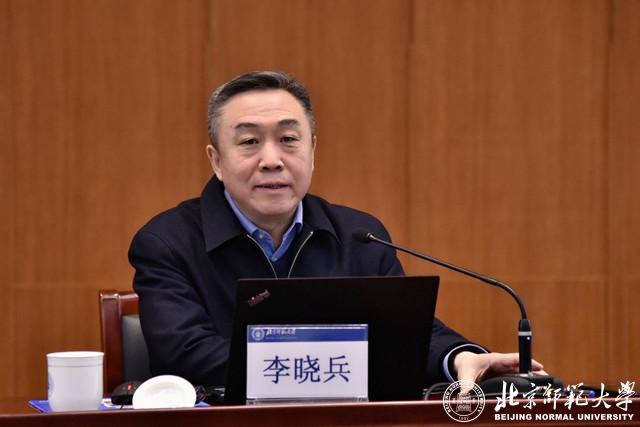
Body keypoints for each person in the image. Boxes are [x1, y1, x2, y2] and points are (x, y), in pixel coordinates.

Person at [129, 70, 545, 390]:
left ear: (312, 150)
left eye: (288, 139)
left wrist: (459, 358)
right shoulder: (167, 243)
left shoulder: (359, 235)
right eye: (250, 142)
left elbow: (405, 335)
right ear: (217, 160)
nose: (272, 160)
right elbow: (186, 354)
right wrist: (331, 366)